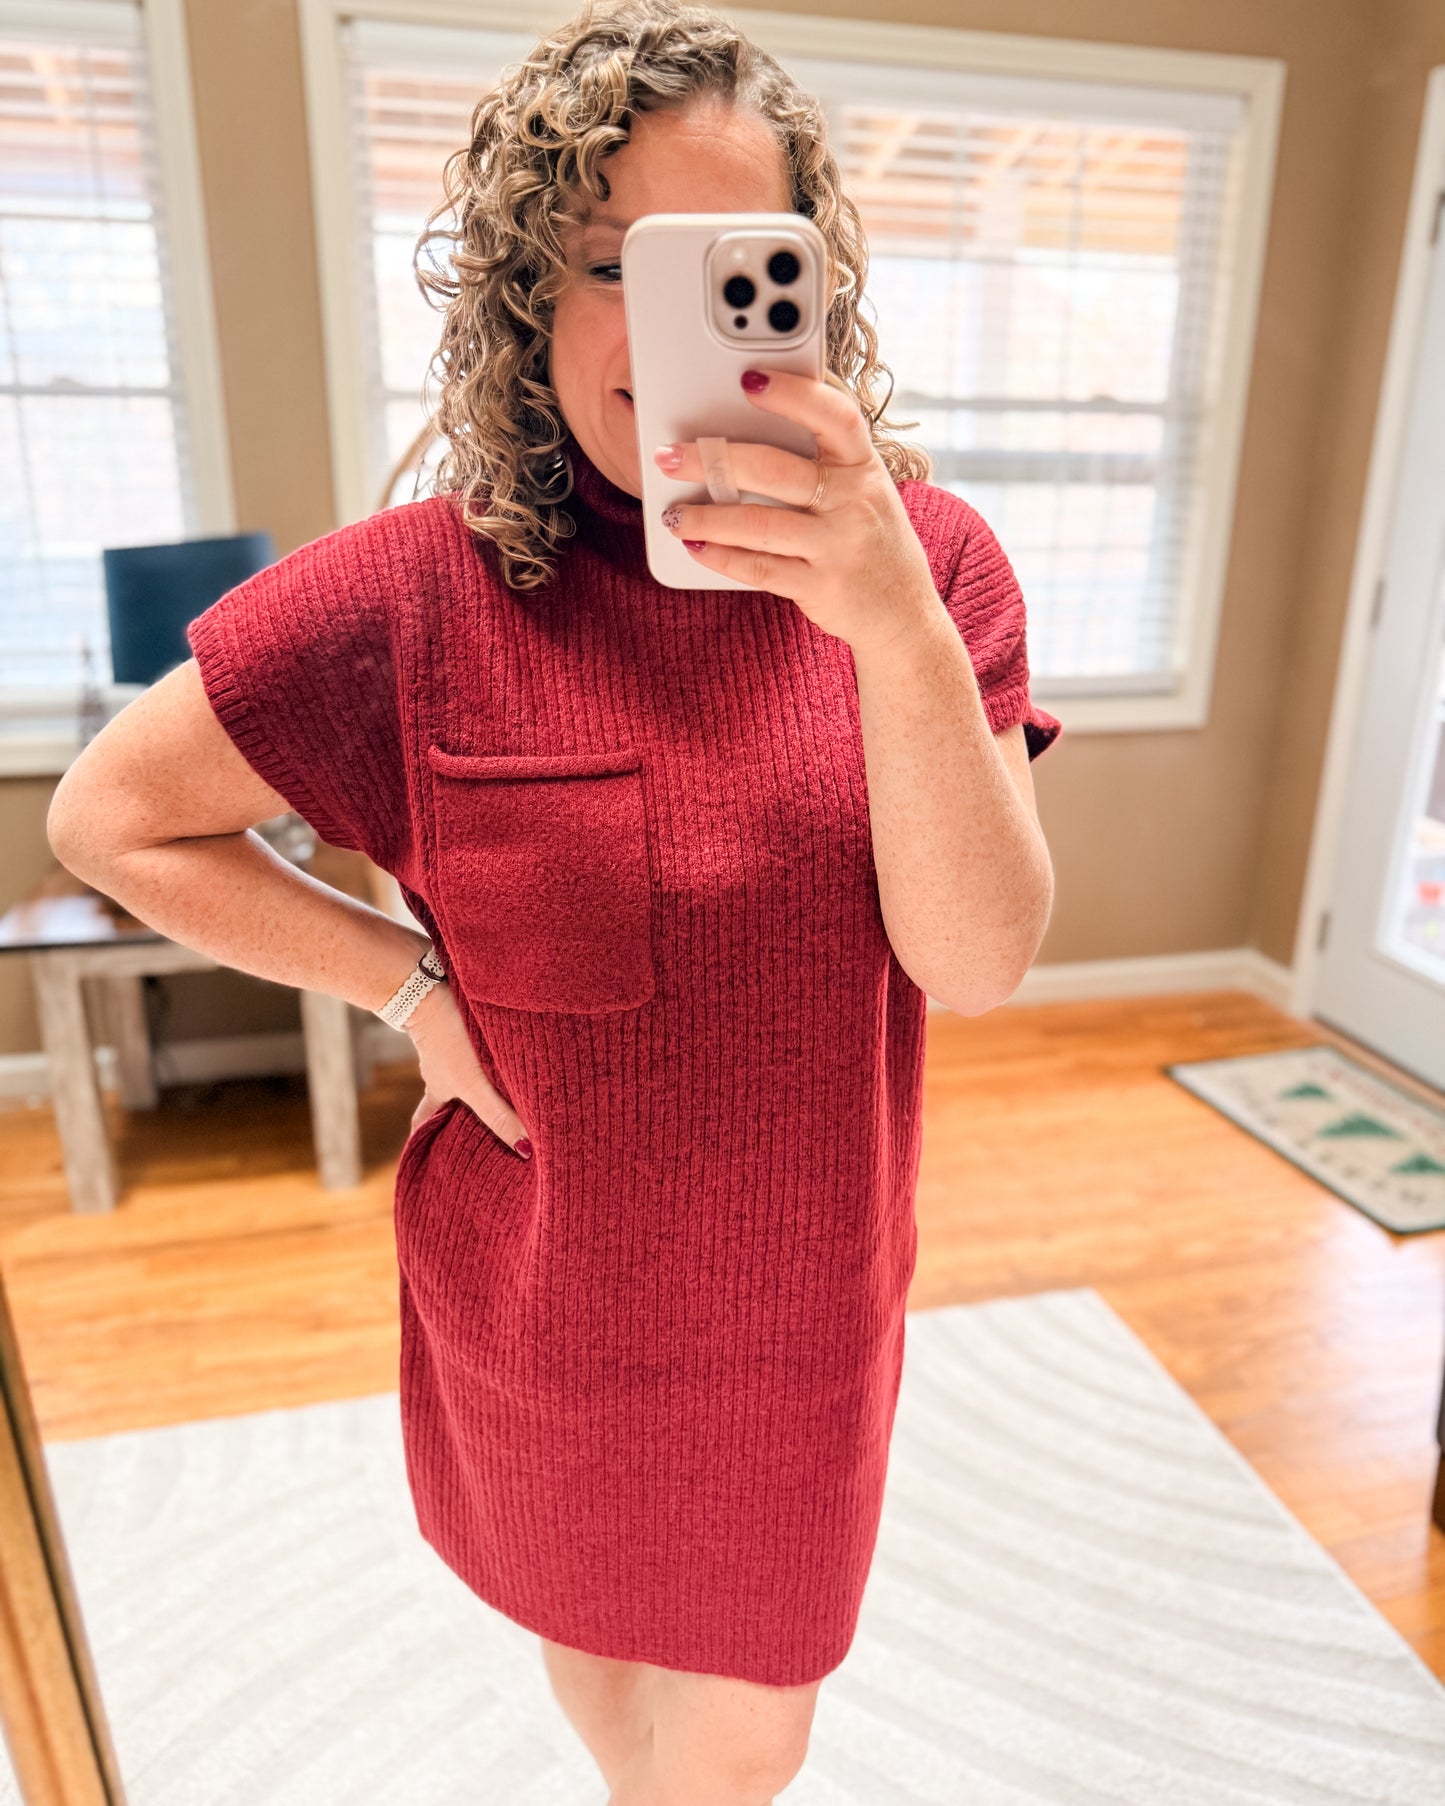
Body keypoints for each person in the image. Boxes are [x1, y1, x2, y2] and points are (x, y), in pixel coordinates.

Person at [47, 2, 1062, 1800]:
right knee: (598, 1672)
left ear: (808, 286)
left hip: (795, 1321)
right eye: (605, 266)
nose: (653, 326)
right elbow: (111, 818)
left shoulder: (934, 570)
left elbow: (974, 962)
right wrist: (404, 991)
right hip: (540, 1307)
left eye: (723, 266)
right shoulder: (410, 599)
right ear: (524, 293)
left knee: (738, 1748)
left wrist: (889, 622)